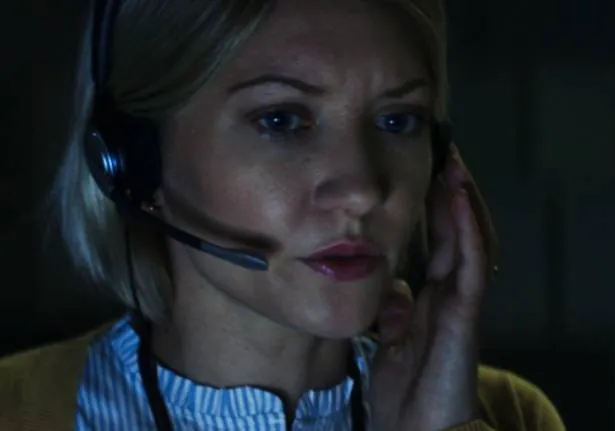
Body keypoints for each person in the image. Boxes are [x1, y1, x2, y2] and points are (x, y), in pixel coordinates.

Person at [0, 0, 566, 430]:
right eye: (281, 120)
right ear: (134, 158)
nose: (362, 190)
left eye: (398, 121)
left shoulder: (509, 415)